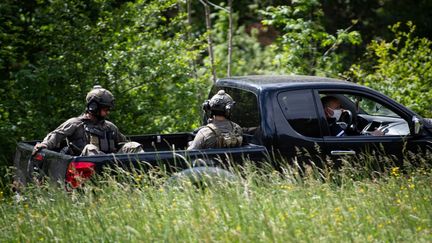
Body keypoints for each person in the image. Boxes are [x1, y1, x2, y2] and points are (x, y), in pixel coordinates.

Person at [32, 85, 143, 156]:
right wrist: (44, 144)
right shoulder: (75, 123)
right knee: (90, 148)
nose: (107, 112)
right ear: (93, 107)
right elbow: (56, 135)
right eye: (105, 109)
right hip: (85, 168)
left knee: (133, 146)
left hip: (112, 164)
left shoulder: (109, 127)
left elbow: (124, 142)